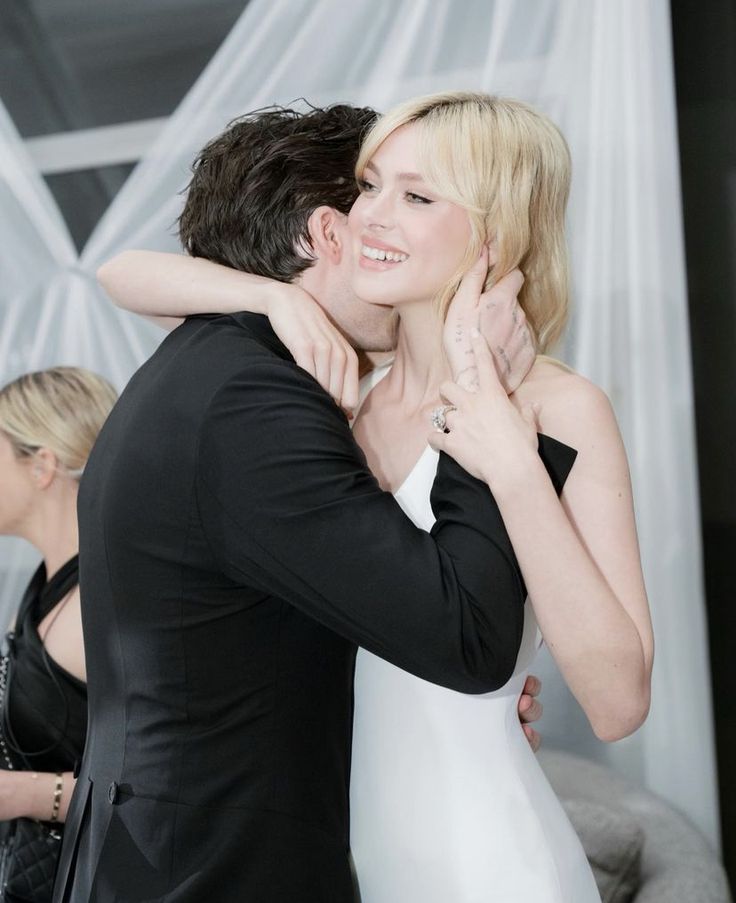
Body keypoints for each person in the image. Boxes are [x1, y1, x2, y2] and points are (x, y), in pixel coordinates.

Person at [101, 92, 653, 902]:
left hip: (487, 866)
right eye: (369, 185)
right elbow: (124, 275)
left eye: (416, 196)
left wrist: (506, 454)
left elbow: (617, 702)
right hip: (345, 867)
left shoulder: (558, 408)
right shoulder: (344, 398)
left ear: (494, 235)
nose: (367, 217)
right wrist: (272, 296)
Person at [0, 367, 116, 902]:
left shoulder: (101, 600)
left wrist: (25, 794)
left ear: (42, 465)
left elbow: (168, 784)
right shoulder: (49, 584)